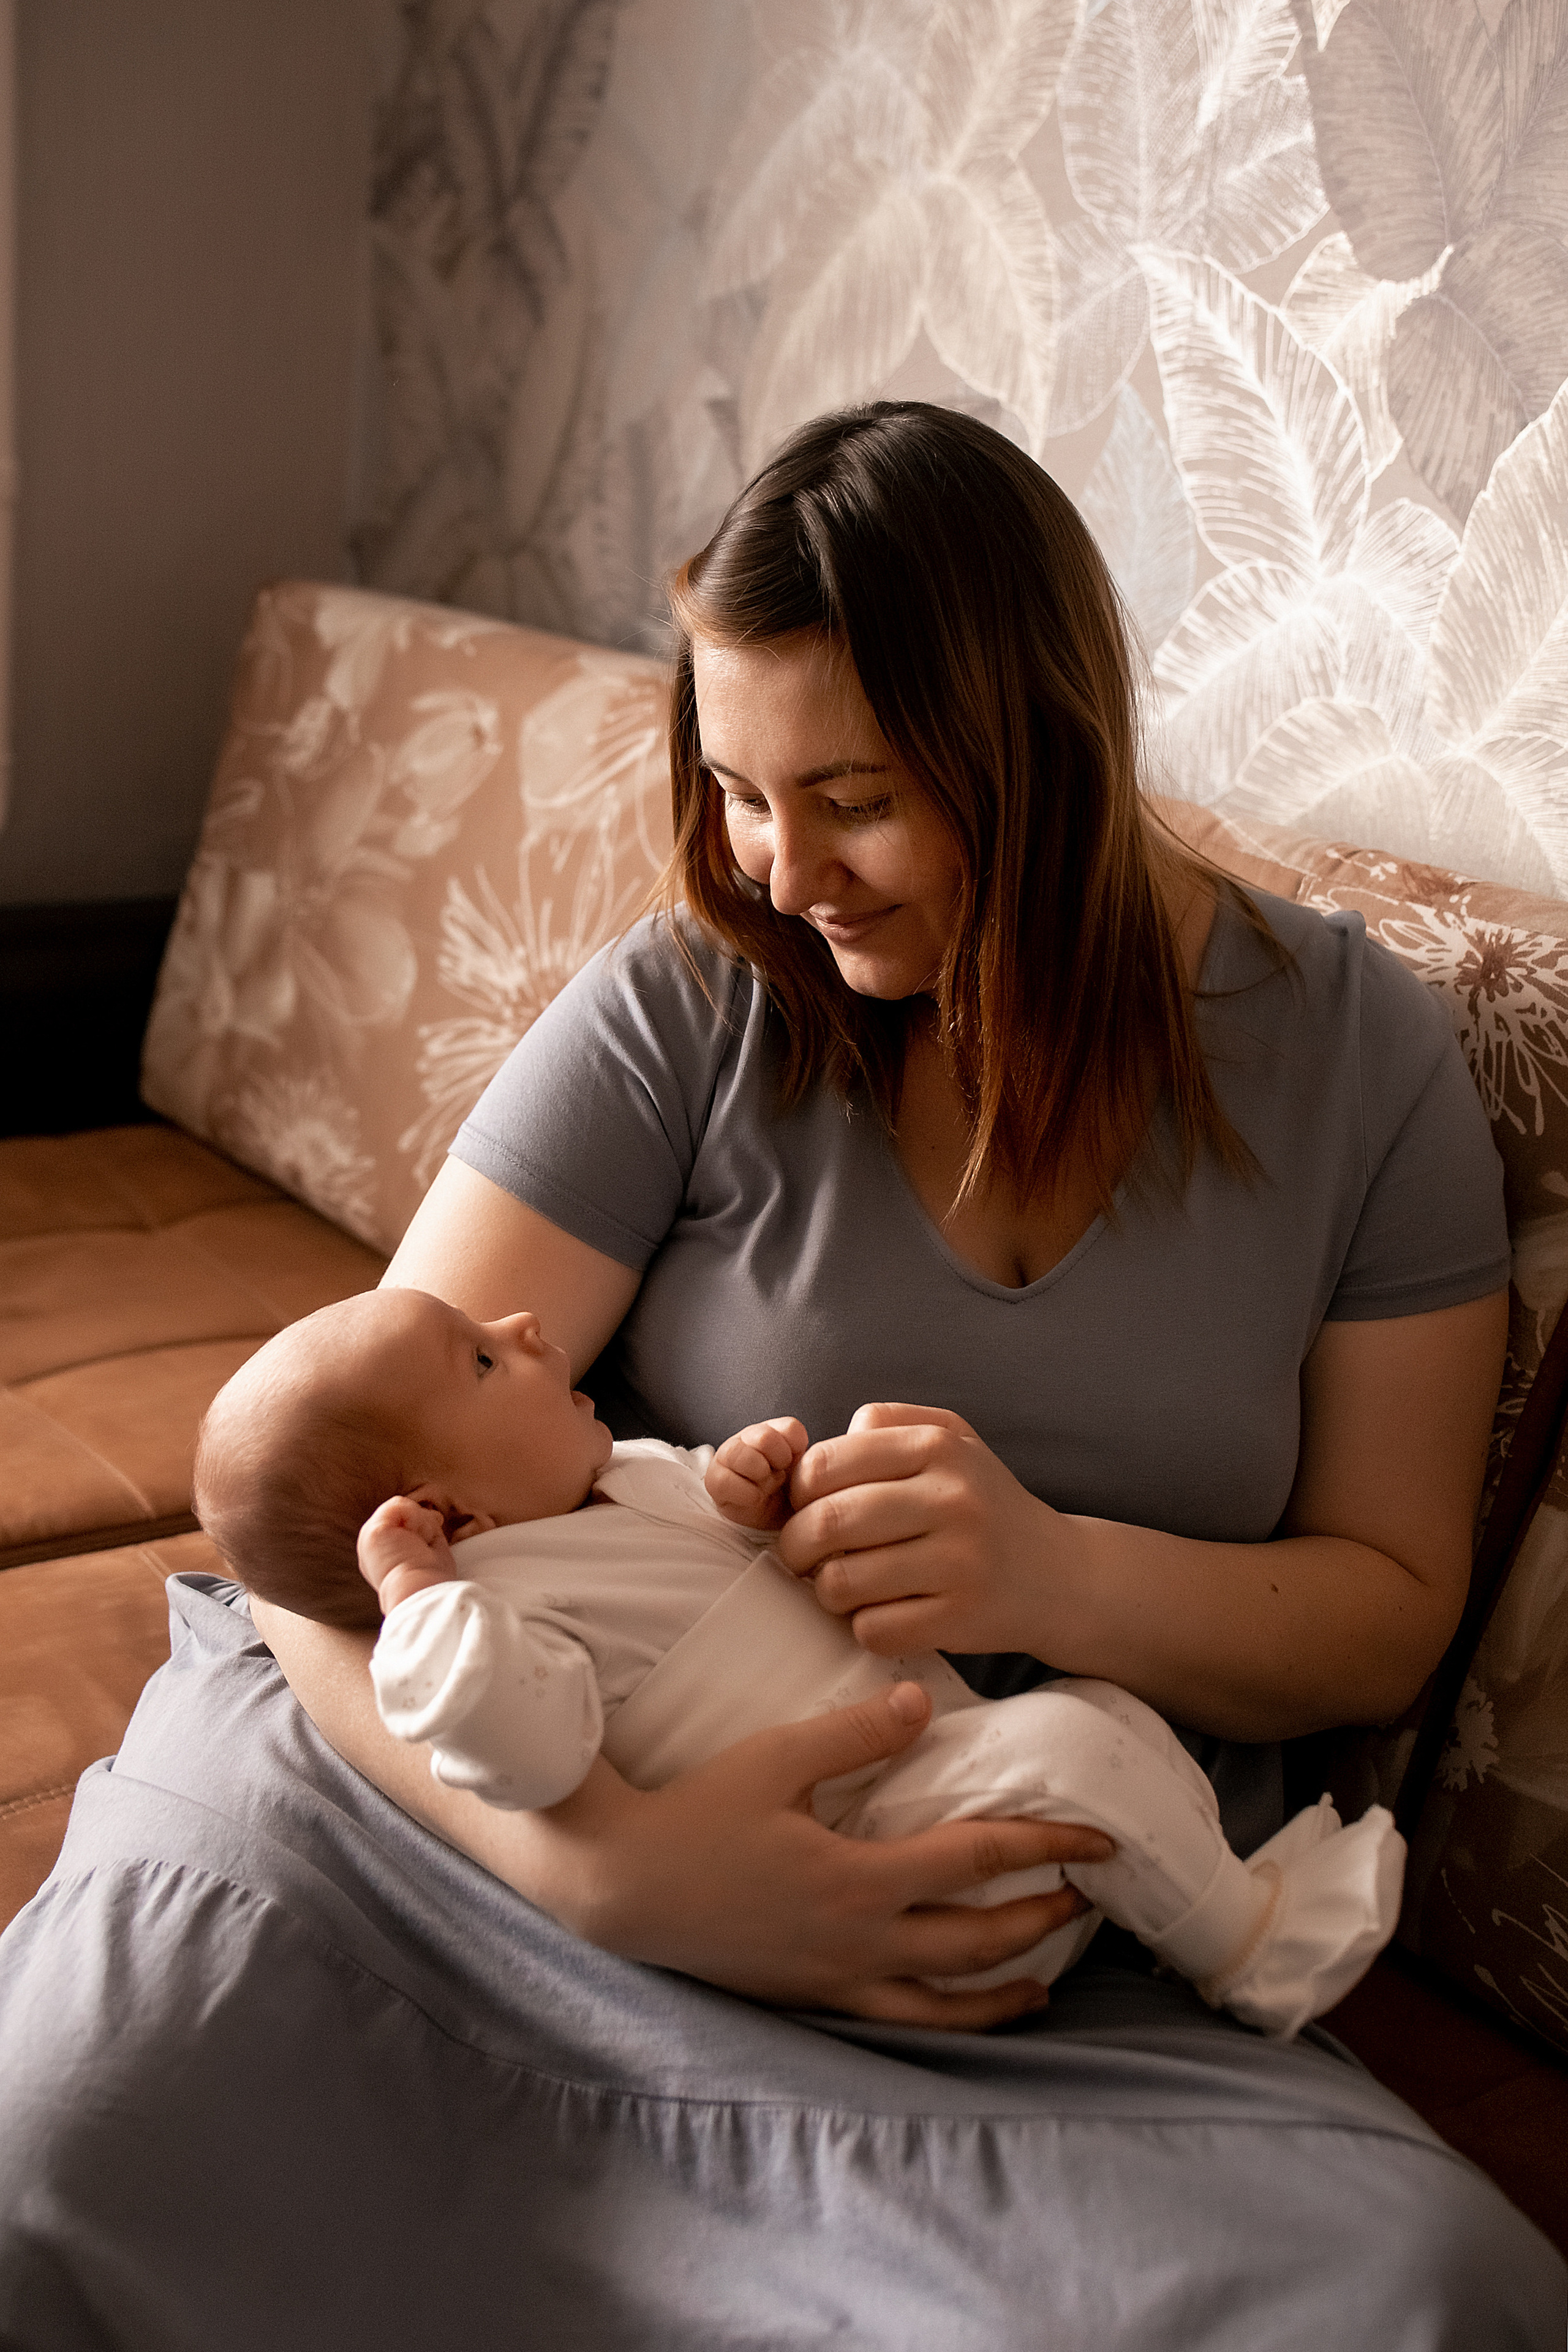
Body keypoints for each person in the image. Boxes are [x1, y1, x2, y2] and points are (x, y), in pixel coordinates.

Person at [1, 402, 1559, 2348]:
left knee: (1431, 2299)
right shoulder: (694, 1003)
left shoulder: (1361, 1068)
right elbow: (326, 1544)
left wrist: (1057, 1577)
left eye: (854, 795)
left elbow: (1389, 1616)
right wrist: (611, 1875)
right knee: (58, 2150)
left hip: (994, 1940)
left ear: (1045, 747)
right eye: (737, 789)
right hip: (485, 1824)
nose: (782, 867)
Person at [190, 1286, 1404, 2034]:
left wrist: (743, 1494)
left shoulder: (611, 1484)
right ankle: (1253, 1948)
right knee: (1070, 1744)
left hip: (939, 1761)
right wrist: (414, 1601)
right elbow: (514, 1743)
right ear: (447, 1514)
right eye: (480, 1363)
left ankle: (1173, 1892)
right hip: (872, 1862)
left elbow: (712, 1555)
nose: (517, 1324)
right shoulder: (487, 1614)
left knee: (1098, 1711)